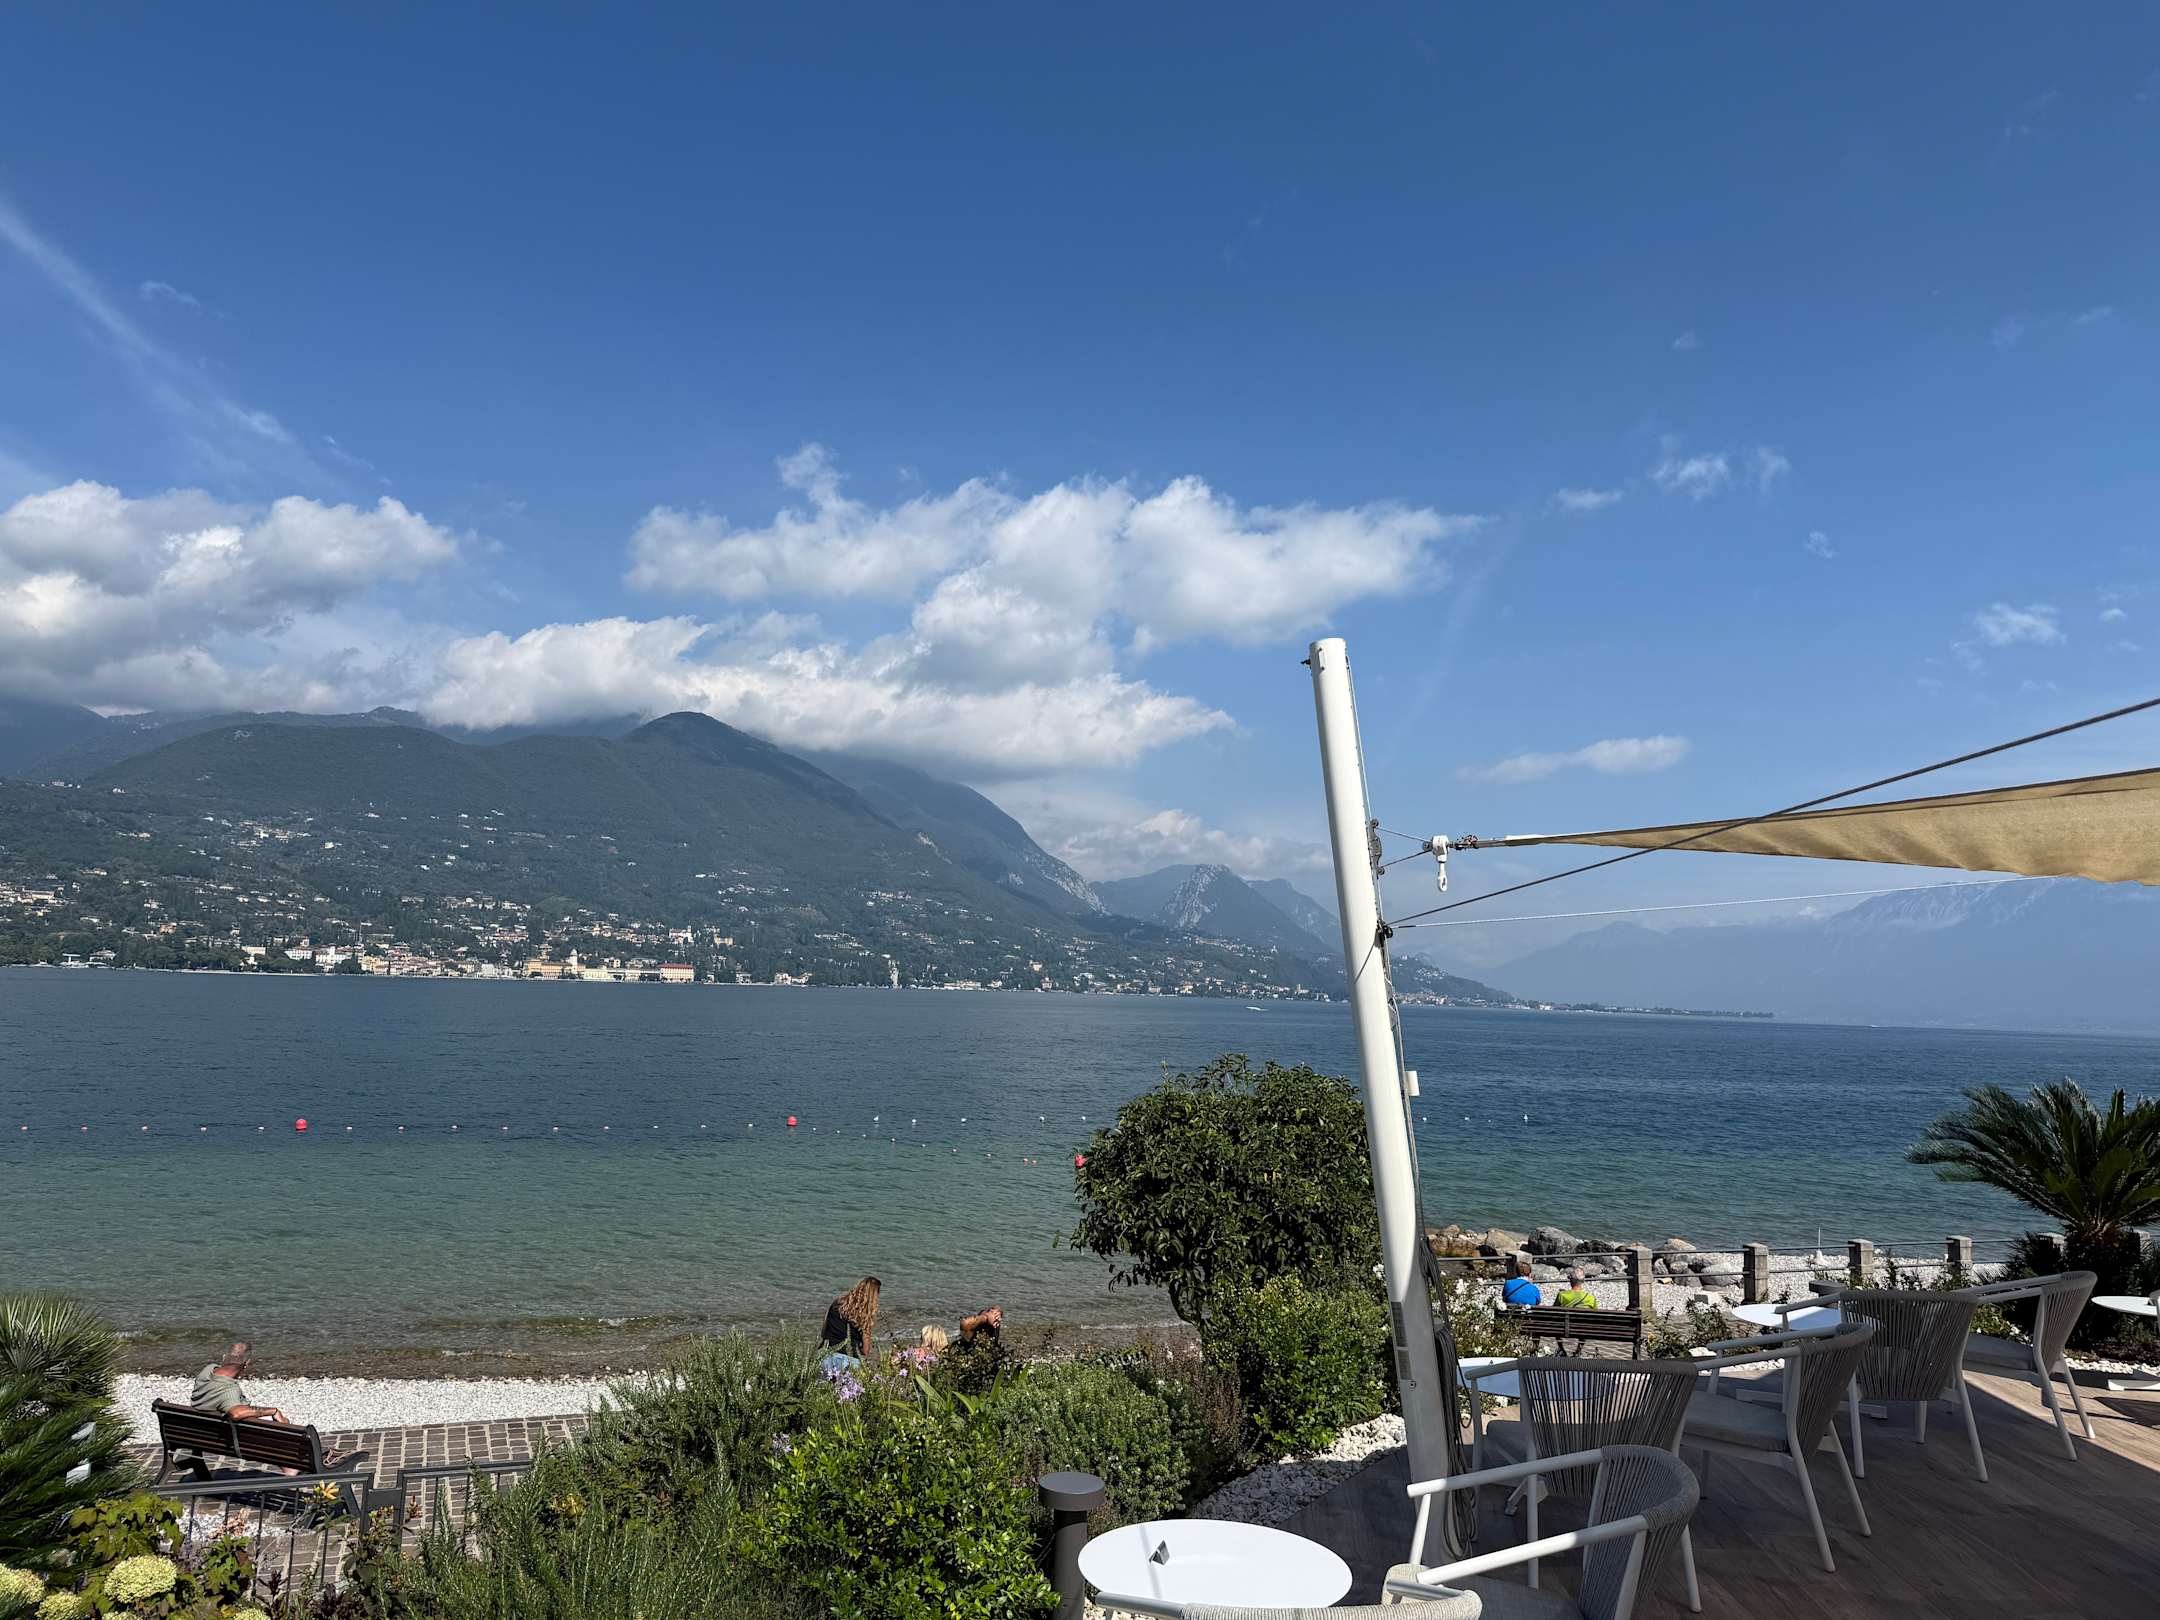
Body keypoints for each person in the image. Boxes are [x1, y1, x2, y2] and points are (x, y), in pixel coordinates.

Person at [191, 1341, 291, 1425]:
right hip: (232, 1435)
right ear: (246, 1363)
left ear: (224, 1357)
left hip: (199, 1427)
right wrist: (273, 1411)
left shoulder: (208, 1370)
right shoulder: (229, 1390)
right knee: (284, 1422)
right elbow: (236, 1414)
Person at [820, 1276, 881, 1361]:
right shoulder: (865, 1315)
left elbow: (824, 1331)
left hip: (828, 1356)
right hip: (850, 1360)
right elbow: (865, 1351)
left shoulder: (836, 1303)